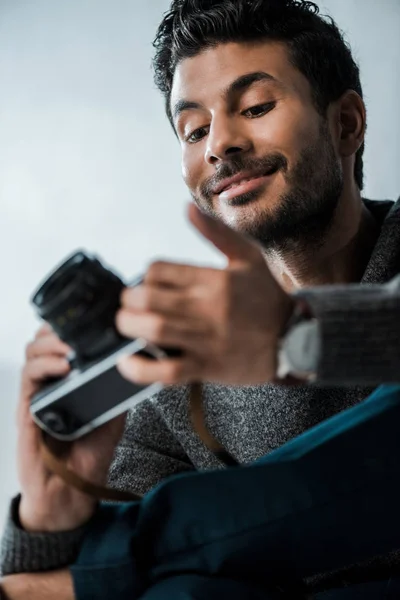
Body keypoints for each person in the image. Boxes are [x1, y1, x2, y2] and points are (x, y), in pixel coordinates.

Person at [1, 0, 400, 596]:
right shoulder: (173, 369)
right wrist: (51, 511)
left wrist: (297, 337)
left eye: (256, 107)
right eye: (194, 130)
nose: (220, 145)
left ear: (347, 123)